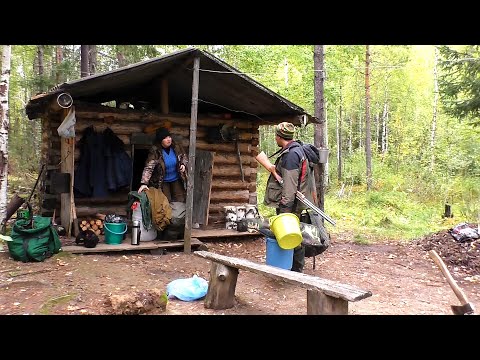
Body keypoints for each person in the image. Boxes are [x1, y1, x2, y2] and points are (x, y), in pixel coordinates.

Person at [263, 122, 318, 273]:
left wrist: (285, 208)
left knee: (290, 234)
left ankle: (294, 269)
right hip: (294, 202)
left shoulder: (292, 155)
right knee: (293, 234)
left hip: (290, 204)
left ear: (280, 137)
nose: (275, 138)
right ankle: (292, 267)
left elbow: (290, 183)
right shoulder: (295, 151)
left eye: (276, 136)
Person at [137, 127, 188, 202]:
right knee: (165, 201)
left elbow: (184, 156)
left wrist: (183, 164)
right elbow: (149, 167)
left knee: (179, 200)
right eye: (165, 138)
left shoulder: (176, 147)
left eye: (169, 137)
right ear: (160, 140)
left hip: (176, 178)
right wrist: (144, 183)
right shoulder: (155, 151)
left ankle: (178, 214)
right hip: (163, 181)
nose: (169, 139)